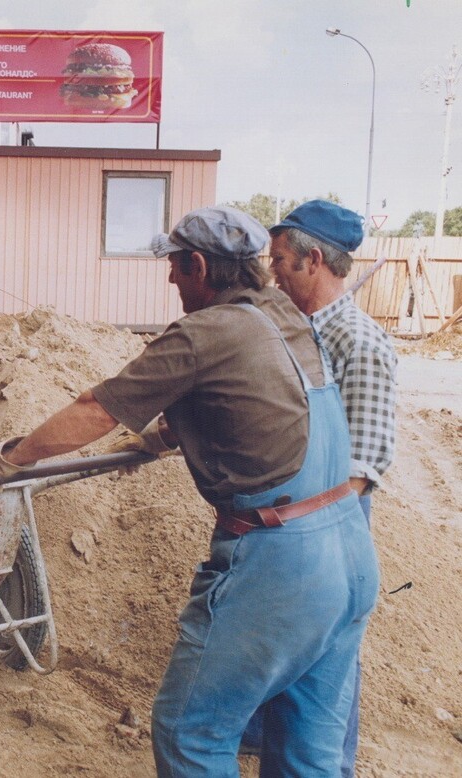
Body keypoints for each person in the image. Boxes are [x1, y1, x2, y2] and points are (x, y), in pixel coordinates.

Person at [0, 206, 380, 776]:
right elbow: (257, 408)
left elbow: (96, 408)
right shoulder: (285, 317)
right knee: (306, 747)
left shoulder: (205, 332)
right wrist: (162, 437)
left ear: (198, 266)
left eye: (174, 267)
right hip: (350, 555)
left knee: (191, 732)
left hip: (283, 567)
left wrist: (9, 457)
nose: (169, 280)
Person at [238, 199, 397, 777]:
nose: (272, 270)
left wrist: (296, 522)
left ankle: (330, 762)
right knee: (285, 647)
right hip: (290, 518)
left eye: (279, 260)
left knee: (325, 665)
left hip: (331, 522)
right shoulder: (292, 331)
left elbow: (363, 467)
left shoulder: (359, 341)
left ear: (312, 259)